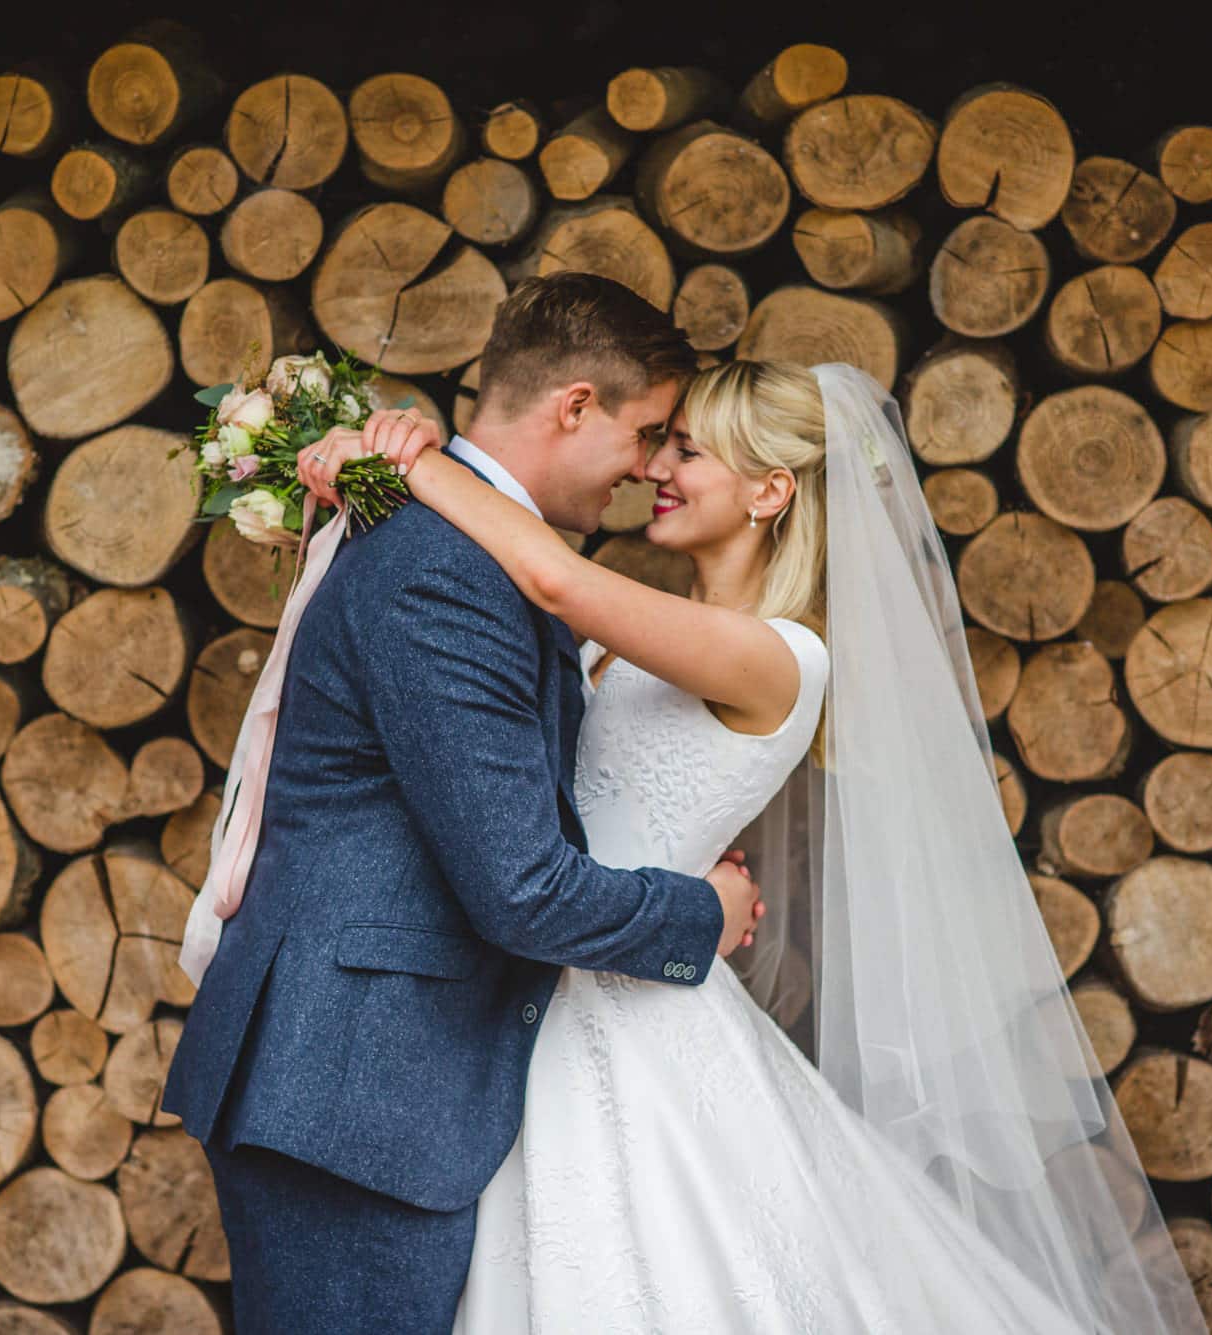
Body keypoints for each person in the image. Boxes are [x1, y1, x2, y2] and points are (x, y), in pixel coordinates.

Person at [302, 358, 1209, 1333]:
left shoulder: (778, 656)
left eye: (687, 452)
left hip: (635, 1008)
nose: (658, 468)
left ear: (770, 490)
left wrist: (408, 462)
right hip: (542, 979)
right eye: (661, 446)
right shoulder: (629, 643)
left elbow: (552, 577)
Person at [160, 273, 766, 1333]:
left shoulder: (445, 531)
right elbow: (522, 889)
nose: (645, 471)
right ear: (574, 407)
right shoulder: (446, 570)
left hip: (368, 1077)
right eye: (646, 433)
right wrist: (698, 916)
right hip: (349, 1088)